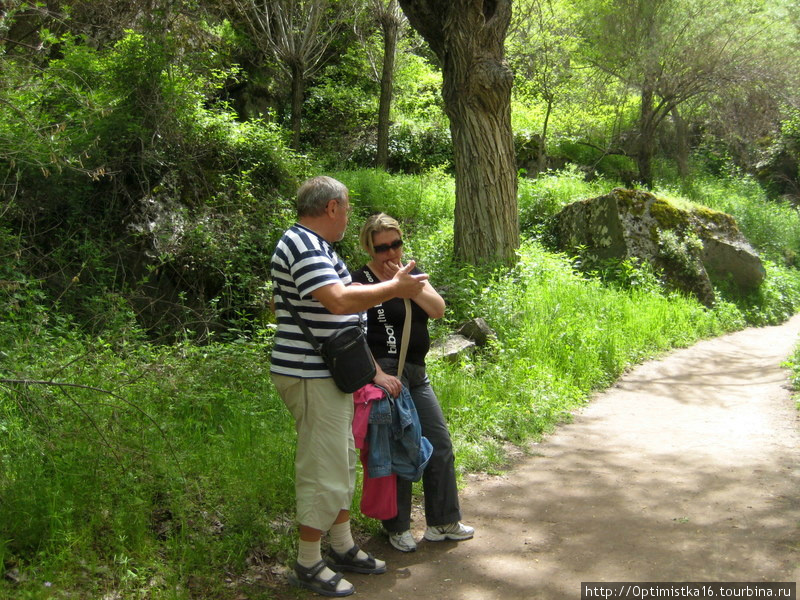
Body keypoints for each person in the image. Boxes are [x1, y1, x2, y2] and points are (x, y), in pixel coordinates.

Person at [270, 178, 429, 597]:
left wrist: (370, 289)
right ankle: (308, 562)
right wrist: (394, 288)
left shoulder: (314, 245)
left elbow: (335, 295)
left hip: (328, 374)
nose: (349, 215)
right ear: (334, 207)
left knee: (340, 460)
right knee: (322, 467)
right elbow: (338, 301)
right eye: (348, 208)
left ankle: (341, 547)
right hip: (309, 373)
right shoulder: (303, 244)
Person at [351, 212, 474, 553]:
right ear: (369, 248)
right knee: (397, 450)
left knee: (439, 443)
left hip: (417, 375)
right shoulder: (359, 280)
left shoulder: (412, 274)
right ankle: (398, 526)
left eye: (396, 244)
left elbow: (437, 309)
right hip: (386, 375)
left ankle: (443, 522)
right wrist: (376, 373)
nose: (390, 253)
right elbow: (353, 333)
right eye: (382, 248)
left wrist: (406, 286)